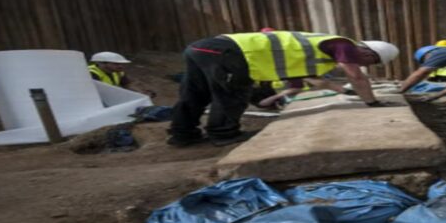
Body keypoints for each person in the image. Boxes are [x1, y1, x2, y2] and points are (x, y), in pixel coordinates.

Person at [168, 31, 400, 147]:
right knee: (232, 93)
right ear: (369, 53)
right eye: (371, 62)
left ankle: (182, 135)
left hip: (205, 48)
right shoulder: (344, 45)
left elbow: (318, 81)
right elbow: (356, 76)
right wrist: (372, 103)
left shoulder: (320, 53)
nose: (365, 65)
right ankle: (223, 135)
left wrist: (345, 93)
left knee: (195, 93)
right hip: (230, 52)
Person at [88, 52, 156, 97]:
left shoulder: (118, 72)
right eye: (116, 64)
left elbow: (127, 85)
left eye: (121, 64)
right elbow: (97, 93)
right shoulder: (90, 73)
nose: (121, 66)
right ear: (101, 64)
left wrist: (141, 93)